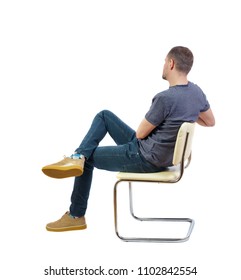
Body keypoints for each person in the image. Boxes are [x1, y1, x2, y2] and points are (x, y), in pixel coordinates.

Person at [42, 46, 215, 232]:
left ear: (171, 63)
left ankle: (76, 214)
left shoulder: (165, 98)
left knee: (88, 157)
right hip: (155, 151)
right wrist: (186, 111)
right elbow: (210, 121)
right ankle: (77, 157)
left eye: (165, 61)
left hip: (145, 157)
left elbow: (140, 133)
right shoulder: (196, 93)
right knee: (104, 116)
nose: (163, 65)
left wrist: (177, 112)